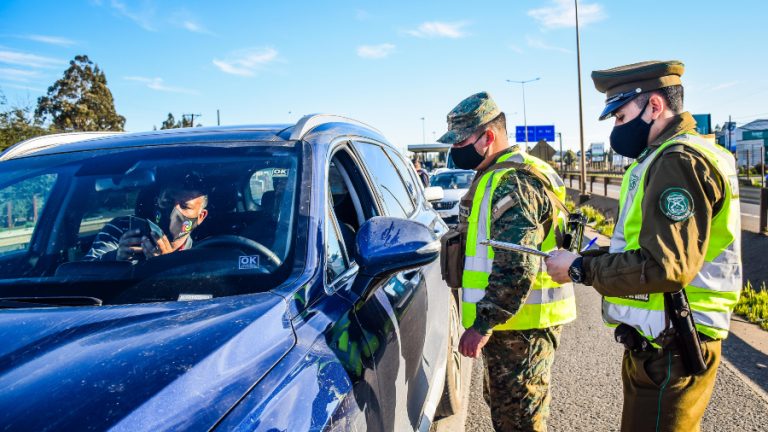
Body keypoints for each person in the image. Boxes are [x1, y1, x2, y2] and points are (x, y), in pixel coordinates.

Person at [544, 60, 742, 431]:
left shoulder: (677, 161)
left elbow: (665, 266)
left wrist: (579, 269)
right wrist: (586, 258)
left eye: (620, 117)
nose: (616, 130)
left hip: (674, 346)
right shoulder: (668, 156)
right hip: (664, 342)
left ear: (654, 106)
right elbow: (645, 248)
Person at [437, 91, 576, 431]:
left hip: (520, 328)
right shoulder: (498, 173)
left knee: (519, 421)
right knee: (510, 413)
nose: (456, 152)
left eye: (461, 142)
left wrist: (482, 325)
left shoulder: (513, 180)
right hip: (513, 325)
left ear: (488, 136)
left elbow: (517, 265)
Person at [84, 175, 209, 262]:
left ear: (201, 216)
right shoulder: (120, 230)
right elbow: (82, 274)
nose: (174, 211)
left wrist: (167, 266)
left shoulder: (202, 255)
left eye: (184, 206)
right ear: (157, 201)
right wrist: (115, 257)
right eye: (168, 200)